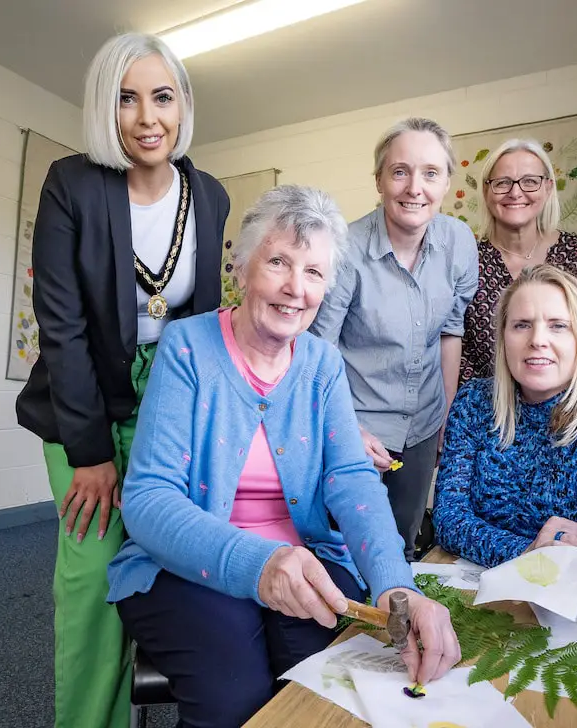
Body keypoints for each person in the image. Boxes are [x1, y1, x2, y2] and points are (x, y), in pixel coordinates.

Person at [108, 185, 460, 728]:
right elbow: (149, 500)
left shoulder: (321, 363)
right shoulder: (186, 347)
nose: (296, 288)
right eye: (278, 262)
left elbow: (351, 480)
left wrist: (395, 586)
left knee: (334, 688)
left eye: (315, 272)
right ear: (243, 268)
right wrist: (260, 563)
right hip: (189, 563)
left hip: (309, 555)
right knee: (235, 699)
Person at [14, 32, 229, 728]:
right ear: (106, 110)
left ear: (184, 105)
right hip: (82, 406)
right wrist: (92, 453)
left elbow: (201, 327)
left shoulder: (211, 194)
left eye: (162, 97)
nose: (146, 118)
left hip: (171, 403)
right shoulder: (71, 183)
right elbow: (63, 324)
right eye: (126, 99)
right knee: (93, 578)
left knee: (175, 566)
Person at [309, 117, 478, 561]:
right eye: (400, 172)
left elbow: (450, 330)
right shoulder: (345, 247)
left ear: (446, 183)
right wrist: (349, 428)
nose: (414, 188)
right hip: (355, 416)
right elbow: (319, 348)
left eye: (430, 173)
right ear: (380, 181)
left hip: (422, 421)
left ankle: (393, 631)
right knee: (346, 545)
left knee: (402, 544)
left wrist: (444, 413)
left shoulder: (459, 243)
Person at [434, 265, 577, 588]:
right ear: (503, 337)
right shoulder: (473, 401)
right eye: (521, 325)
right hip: (485, 586)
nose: (537, 340)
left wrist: (575, 561)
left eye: (558, 326)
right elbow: (448, 518)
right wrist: (530, 554)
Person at [459, 138, 577, 386]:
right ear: (486, 191)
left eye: (530, 181)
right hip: (482, 410)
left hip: (564, 407)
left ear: (548, 188)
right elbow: (456, 353)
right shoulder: (463, 261)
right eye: (502, 183)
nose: (516, 192)